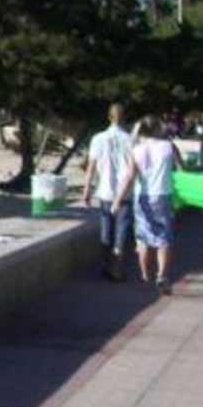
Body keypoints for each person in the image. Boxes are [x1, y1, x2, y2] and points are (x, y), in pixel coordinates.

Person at [115, 117, 182, 293]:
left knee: (143, 239)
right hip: (163, 196)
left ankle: (145, 275)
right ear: (158, 129)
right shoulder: (169, 146)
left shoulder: (136, 150)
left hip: (142, 197)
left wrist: (117, 200)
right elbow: (182, 171)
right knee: (164, 238)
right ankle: (162, 275)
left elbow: (129, 177)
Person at [80, 103, 138, 282]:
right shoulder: (130, 139)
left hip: (105, 191)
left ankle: (106, 266)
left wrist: (86, 191)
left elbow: (90, 168)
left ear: (109, 117)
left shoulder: (98, 138)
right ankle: (117, 269)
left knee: (106, 231)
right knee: (121, 232)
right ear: (124, 117)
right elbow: (133, 169)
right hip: (125, 193)